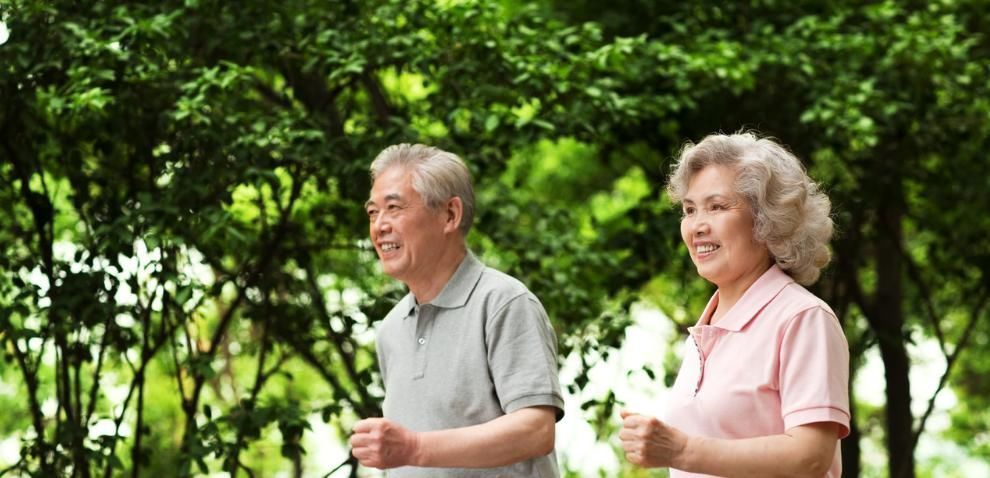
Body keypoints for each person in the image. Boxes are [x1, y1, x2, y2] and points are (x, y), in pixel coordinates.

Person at [619, 132, 850, 477]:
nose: (697, 226)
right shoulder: (704, 330)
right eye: (689, 210)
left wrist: (680, 450)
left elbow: (810, 457)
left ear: (766, 219)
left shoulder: (802, 317)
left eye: (717, 207)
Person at [350, 143, 565, 477]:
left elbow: (536, 430)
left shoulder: (504, 302)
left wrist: (415, 448)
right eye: (373, 212)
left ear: (450, 215)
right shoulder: (390, 330)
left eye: (393, 208)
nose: (379, 226)